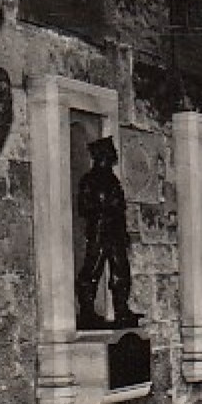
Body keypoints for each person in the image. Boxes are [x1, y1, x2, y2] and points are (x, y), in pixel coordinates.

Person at [75, 136, 140, 329]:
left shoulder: (112, 180)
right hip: (99, 230)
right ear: (102, 155)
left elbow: (120, 208)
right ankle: (87, 310)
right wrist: (103, 208)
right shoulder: (89, 180)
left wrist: (123, 229)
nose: (114, 155)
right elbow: (84, 207)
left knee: (121, 269)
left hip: (115, 230)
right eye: (111, 152)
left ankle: (121, 308)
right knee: (92, 269)